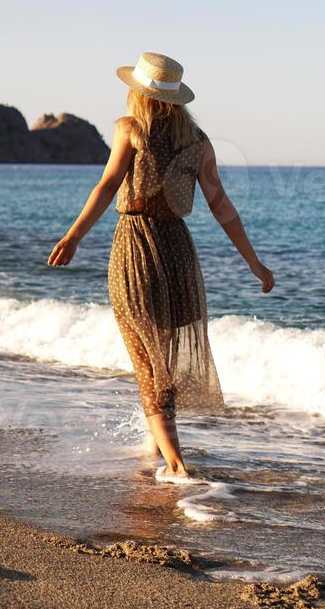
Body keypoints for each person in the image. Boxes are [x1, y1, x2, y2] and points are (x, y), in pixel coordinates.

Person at [48, 52, 275, 483]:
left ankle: (176, 465)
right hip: (177, 252)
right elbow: (221, 206)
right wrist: (253, 261)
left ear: (140, 91)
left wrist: (74, 236)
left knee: (148, 359)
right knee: (160, 356)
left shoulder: (128, 129)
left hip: (135, 248)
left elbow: (108, 185)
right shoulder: (198, 140)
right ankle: (156, 447)